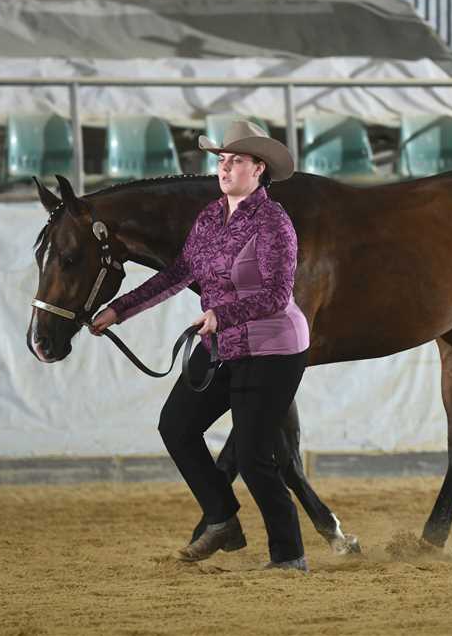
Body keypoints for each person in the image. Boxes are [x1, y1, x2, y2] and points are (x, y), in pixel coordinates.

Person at [90, 121, 311, 571]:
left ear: (259, 169)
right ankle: (222, 518)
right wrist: (119, 309)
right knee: (176, 427)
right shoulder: (210, 216)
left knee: (254, 458)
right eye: (221, 160)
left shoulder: (274, 222)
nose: (224, 168)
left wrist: (220, 315)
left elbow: (276, 295)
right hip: (222, 345)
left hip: (272, 350)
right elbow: (179, 273)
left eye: (236, 160)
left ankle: (290, 556)